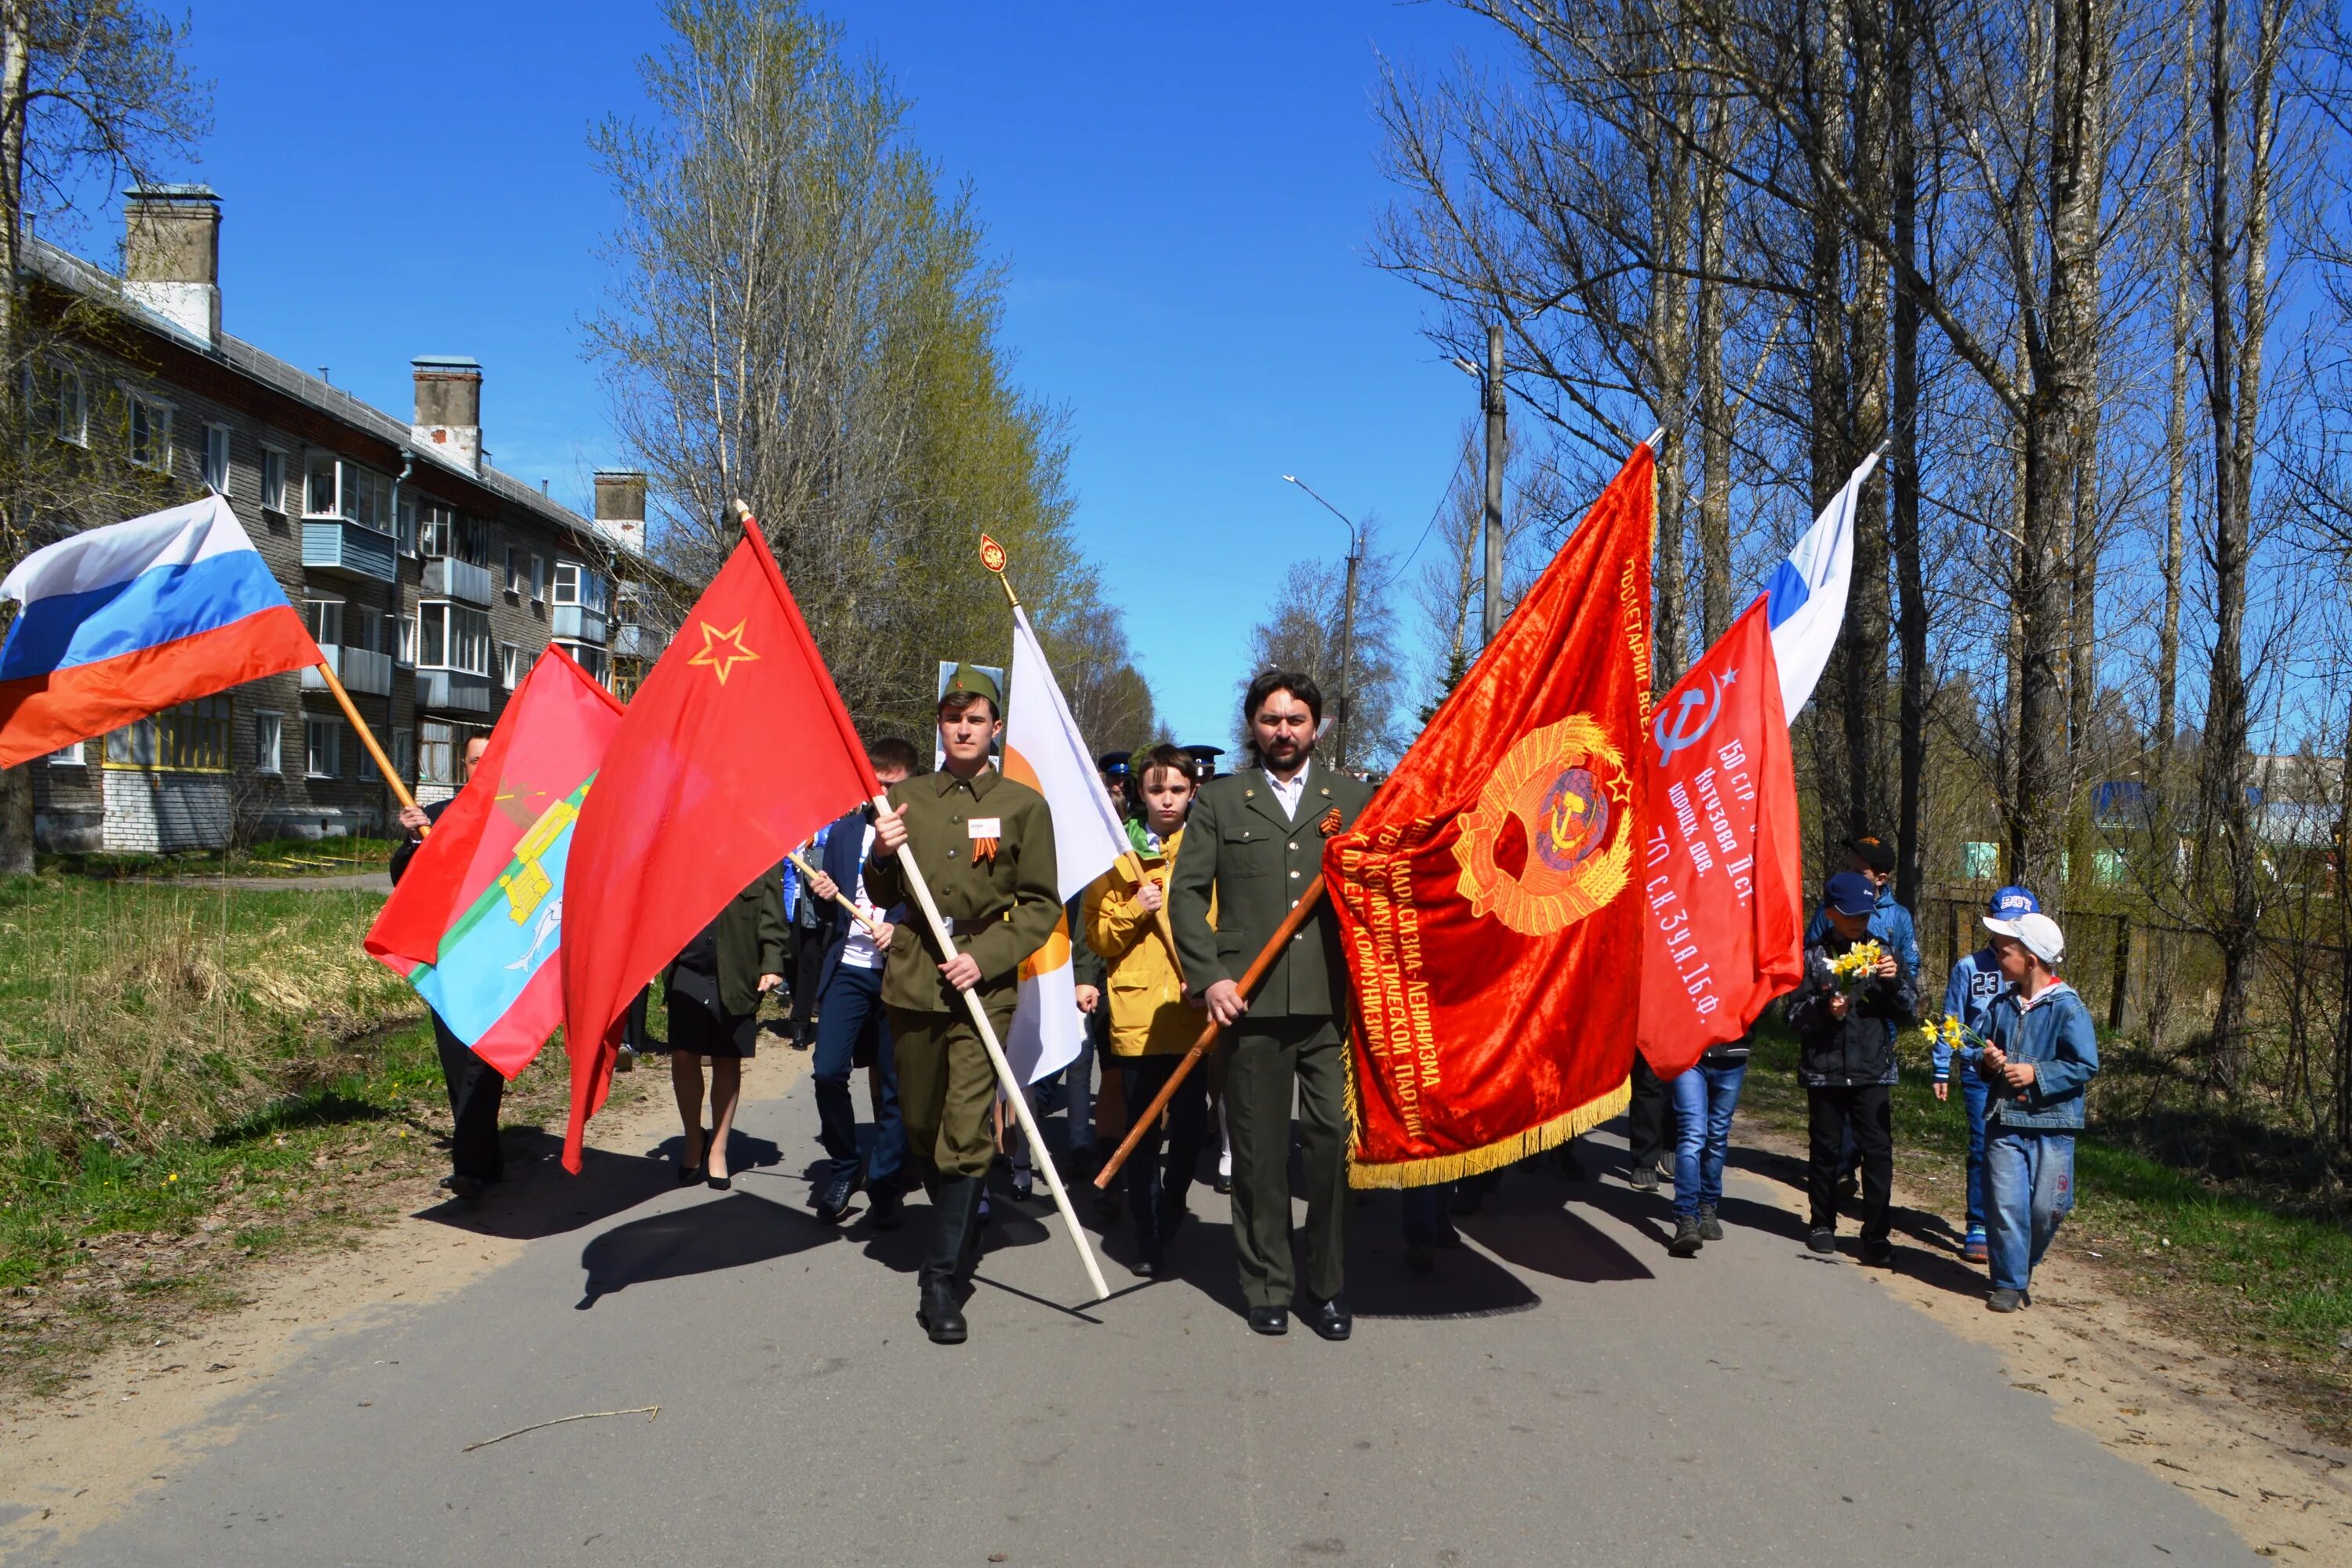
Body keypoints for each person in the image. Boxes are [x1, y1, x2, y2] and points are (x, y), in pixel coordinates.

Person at [1169, 671, 1374, 1340]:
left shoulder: (1351, 797)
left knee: (1331, 1147)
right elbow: (1187, 896)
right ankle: (1266, 1283)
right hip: (1248, 1006)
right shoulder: (1223, 801)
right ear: (1251, 725)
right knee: (1257, 1154)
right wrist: (1211, 978)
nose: (1282, 731)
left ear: (1317, 726)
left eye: (1295, 719)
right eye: (1270, 719)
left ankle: (1330, 1282)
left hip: (1330, 1004)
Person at [868, 664, 1060, 1346]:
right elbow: (883, 884)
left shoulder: (1021, 806)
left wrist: (992, 954)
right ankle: (958, 1202)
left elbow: (1040, 904)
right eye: (953, 718)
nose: (963, 728)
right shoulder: (907, 797)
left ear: (994, 727)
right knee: (920, 1122)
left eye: (975, 718)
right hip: (916, 972)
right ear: (941, 725)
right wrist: (883, 852)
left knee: (964, 1126)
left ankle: (942, 1277)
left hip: (984, 980)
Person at [1085, 743, 1210, 1278]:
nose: (1166, 800)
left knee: (1187, 1130)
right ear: (1140, 792)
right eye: (1156, 789)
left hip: (1188, 1013)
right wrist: (1136, 908)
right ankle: (1147, 1232)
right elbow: (1098, 934)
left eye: (1177, 790)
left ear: (1192, 792)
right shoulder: (1117, 856)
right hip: (1135, 1015)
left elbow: (1221, 925)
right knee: (1141, 1134)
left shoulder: (1207, 850)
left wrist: (1207, 979)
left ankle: (1174, 1202)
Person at [804, 737, 920, 1228]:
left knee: (896, 1085)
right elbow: (829, 904)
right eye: (878, 785)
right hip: (850, 968)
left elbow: (941, 901)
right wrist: (824, 892)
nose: (885, 795)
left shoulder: (924, 833)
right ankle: (846, 1167)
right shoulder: (847, 832)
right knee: (828, 1070)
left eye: (895, 786)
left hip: (901, 972)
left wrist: (903, 926)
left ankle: (887, 1181)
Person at [1787, 870, 1916, 1265]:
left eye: (1866, 914)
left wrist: (1894, 983)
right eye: (1852, 915)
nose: (1860, 922)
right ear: (1831, 913)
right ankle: (1822, 1223)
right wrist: (1825, 1009)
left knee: (1878, 1153)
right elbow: (1792, 1018)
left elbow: (1911, 1011)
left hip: (1872, 1069)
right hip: (1825, 1071)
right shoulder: (1812, 957)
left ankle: (1876, 1234)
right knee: (1826, 1150)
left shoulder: (1883, 955)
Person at [392, 734, 500, 1202]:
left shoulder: (517, 812)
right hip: (448, 957)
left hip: (498, 955)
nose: (482, 766)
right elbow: (402, 879)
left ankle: (470, 1165)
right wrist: (413, 843)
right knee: (457, 1061)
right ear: (464, 763)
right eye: (476, 760)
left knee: (484, 1059)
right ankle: (483, 1156)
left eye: (490, 759)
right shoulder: (436, 817)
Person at [1976, 909, 2100, 1312]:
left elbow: (2084, 1064)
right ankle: (2010, 1282)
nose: (1995, 955)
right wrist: (1989, 1061)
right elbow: (1984, 1051)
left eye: (2003, 950)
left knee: (2049, 1207)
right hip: (2005, 1121)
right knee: (2006, 1204)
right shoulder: (2001, 1005)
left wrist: (2036, 1073)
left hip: (2053, 1124)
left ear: (2029, 959)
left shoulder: (2067, 1008)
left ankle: (2021, 1262)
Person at [1803, 833, 1920, 1197]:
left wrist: (1894, 972)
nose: (1849, 873)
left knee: (1868, 1115)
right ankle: (1839, 1171)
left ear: (1880, 878)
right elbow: (1810, 955)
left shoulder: (1897, 917)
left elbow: (1910, 969)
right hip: (1834, 1023)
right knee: (1837, 1111)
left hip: (1876, 1026)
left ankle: (1853, 1169)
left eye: (1858, 869)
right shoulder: (1834, 907)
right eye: (1848, 867)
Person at [1939, 884, 2042, 1264]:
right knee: (1984, 1146)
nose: (2009, 932)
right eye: (2004, 925)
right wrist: (1944, 1065)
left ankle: (2016, 1224)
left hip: (2025, 1074)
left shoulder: (2038, 971)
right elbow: (1952, 1022)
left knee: (2024, 1149)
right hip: (1980, 1073)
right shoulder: (1969, 967)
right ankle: (1979, 1222)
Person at [666, 870, 788, 1189]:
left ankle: (718, 1149)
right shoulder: (683, 851)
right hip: (687, 966)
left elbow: (773, 916)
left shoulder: (761, 850)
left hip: (737, 968)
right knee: (682, 1052)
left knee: (726, 1056)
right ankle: (694, 1138)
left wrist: (772, 963)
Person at [1665, 1030, 1754, 1258]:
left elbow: (1763, 1001)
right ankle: (1686, 1217)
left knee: (1716, 1135)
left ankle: (1707, 1206)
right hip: (1688, 1052)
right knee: (1692, 1134)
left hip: (1732, 1054)